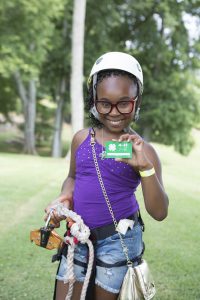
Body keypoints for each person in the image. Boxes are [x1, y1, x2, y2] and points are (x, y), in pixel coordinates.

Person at [44, 51, 169, 300]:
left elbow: (159, 212)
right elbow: (72, 177)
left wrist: (145, 167)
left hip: (119, 239)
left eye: (124, 102)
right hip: (78, 234)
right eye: (105, 103)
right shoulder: (82, 139)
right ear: (94, 100)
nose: (114, 112)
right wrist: (64, 197)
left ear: (137, 100)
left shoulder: (143, 150)